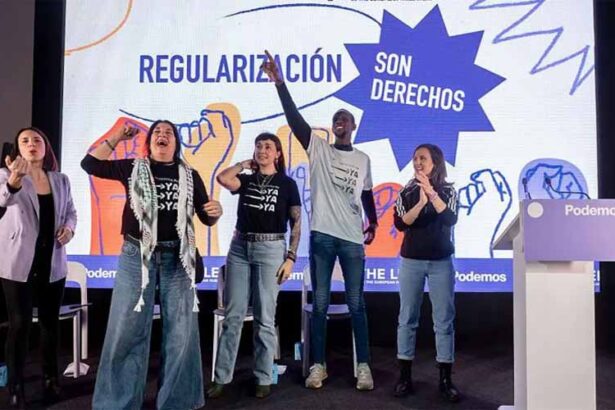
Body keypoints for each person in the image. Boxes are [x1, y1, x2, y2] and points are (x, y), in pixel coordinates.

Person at [81, 120, 222, 410]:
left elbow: (205, 216)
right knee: (126, 329)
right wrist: (118, 136)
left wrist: (215, 212)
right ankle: (117, 403)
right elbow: (89, 164)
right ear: (150, 142)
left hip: (178, 258)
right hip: (136, 255)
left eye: (169, 132)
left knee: (182, 332)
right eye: (157, 131)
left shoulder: (190, 175)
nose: (162, 135)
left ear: (176, 144)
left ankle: (177, 402)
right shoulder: (132, 168)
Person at [261, 50, 379, 391]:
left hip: (353, 239)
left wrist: (372, 222)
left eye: (345, 118)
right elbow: (294, 118)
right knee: (322, 303)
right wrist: (280, 84)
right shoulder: (318, 148)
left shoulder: (363, 159)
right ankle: (318, 366)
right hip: (323, 236)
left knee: (356, 304)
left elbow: (366, 194)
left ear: (353, 127)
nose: (340, 121)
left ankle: (364, 367)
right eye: (336, 118)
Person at [207, 132, 301, 399]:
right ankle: (221, 378)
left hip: (271, 250)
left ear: (278, 153)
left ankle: (263, 377)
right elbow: (223, 178)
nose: (262, 150)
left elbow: (296, 222)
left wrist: (291, 257)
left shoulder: (287, 184)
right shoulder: (247, 180)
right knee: (233, 316)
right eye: (258, 146)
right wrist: (242, 164)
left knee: (265, 318)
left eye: (268, 147)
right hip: (240, 248)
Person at [0, 127, 77, 408]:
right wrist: (14, 180)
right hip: (19, 261)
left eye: (37, 140)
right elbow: (2, 201)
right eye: (25, 141)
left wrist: (69, 229)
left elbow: (71, 212)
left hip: (52, 261)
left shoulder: (60, 179)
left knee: (49, 325)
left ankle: (50, 380)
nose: (31, 144)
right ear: (18, 149)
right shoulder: (5, 176)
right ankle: (15, 386)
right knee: (19, 325)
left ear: (46, 148)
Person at [392, 143, 460, 402]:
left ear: (435, 163)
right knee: (407, 319)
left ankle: (445, 379)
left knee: (444, 321)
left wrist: (431, 194)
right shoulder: (406, 191)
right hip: (412, 262)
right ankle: (404, 377)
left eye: (423, 158)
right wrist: (420, 203)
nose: (417, 162)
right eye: (415, 158)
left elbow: (450, 218)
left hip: (441, 263)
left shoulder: (448, 191)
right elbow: (400, 223)